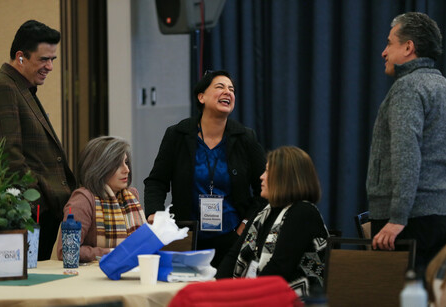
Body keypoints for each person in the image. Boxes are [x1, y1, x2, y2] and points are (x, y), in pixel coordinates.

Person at [144, 70, 267, 267]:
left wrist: (245, 224)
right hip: (185, 235)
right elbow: (156, 181)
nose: (228, 92)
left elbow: (265, 188)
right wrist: (155, 215)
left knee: (225, 295)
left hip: (231, 237)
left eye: (231, 89)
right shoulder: (178, 135)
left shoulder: (245, 138)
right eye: (220, 87)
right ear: (201, 97)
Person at [367, 12, 446, 272]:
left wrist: (397, 218)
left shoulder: (407, 88)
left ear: (408, 47)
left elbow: (407, 155)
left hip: (408, 224)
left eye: (389, 43)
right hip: (441, 218)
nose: (383, 52)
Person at [0, 20, 76, 260]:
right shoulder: (5, 88)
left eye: (53, 59)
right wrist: (34, 203)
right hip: (30, 211)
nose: (50, 67)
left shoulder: (21, 87)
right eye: (44, 59)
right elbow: (10, 156)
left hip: (42, 209)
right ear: (20, 57)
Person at [216, 146, 329, 297]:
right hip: (259, 293)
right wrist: (215, 288)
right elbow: (233, 256)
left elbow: (279, 269)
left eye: (268, 171)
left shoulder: (303, 213)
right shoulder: (263, 211)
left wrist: (241, 295)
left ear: (285, 178)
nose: (261, 177)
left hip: (291, 299)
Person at [57, 136, 147, 262]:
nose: (126, 170)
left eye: (126, 162)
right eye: (117, 165)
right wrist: (112, 253)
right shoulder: (83, 199)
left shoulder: (131, 195)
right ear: (100, 168)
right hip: (90, 276)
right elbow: (66, 251)